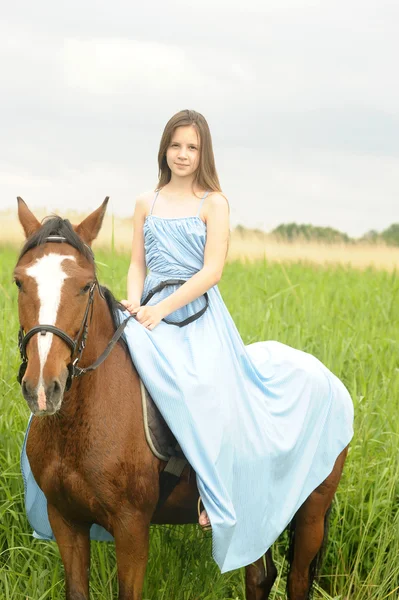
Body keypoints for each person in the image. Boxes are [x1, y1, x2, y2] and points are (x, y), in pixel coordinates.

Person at [118, 109, 354, 572]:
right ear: (164, 148)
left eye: (192, 147)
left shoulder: (214, 203)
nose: (183, 155)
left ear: (203, 153)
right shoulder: (146, 200)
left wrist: (163, 310)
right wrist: (134, 306)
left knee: (204, 389)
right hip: (145, 312)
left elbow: (212, 271)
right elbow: (135, 264)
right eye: (176, 145)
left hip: (196, 315)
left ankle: (213, 490)